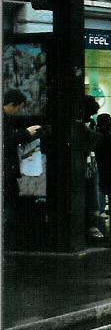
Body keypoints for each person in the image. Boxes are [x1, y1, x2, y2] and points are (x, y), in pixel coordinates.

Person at [3, 89, 41, 237]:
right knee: (11, 197)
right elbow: (6, 141)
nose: (19, 111)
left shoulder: (6, 118)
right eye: (19, 107)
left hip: (8, 169)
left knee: (12, 195)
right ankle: (10, 231)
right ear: (12, 105)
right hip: (6, 169)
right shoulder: (4, 119)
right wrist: (26, 134)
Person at [83, 95, 104, 239]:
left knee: (91, 193)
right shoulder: (91, 124)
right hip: (91, 160)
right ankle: (93, 225)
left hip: (87, 160)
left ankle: (91, 224)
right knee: (93, 193)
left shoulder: (87, 124)